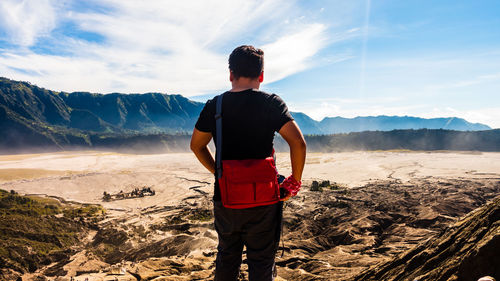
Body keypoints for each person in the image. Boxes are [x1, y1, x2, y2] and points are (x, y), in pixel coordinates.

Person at [190, 45, 306, 281]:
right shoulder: (272, 103)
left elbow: (196, 146)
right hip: (265, 199)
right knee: (262, 263)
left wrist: (218, 171)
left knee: (227, 257)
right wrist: (294, 182)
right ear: (261, 76)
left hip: (226, 197)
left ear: (230, 74)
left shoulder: (215, 105)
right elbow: (299, 144)